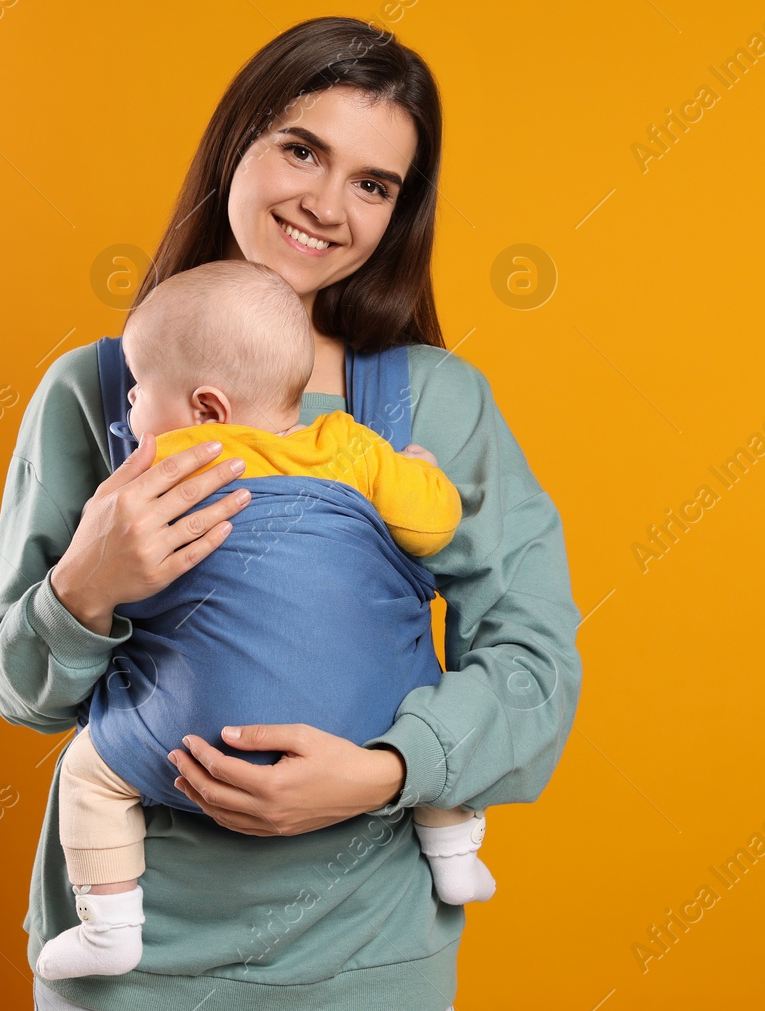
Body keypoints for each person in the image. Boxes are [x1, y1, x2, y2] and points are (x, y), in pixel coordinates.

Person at [0, 15, 581, 1011]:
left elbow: (534, 665)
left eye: (372, 183)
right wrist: (84, 586)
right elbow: (24, 690)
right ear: (237, 145)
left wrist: (388, 769)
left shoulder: (433, 404)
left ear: (399, 213)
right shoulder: (98, 392)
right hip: (136, 956)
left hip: (370, 947)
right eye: (300, 148)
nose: (325, 204)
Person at [36, 258, 495, 981]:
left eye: (140, 388)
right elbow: (432, 530)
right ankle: (455, 851)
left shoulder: (156, 470)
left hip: (186, 742)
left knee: (91, 770)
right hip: (359, 725)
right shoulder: (348, 445)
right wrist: (422, 470)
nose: (127, 404)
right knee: (431, 704)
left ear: (207, 410)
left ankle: (110, 923)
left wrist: (89, 578)